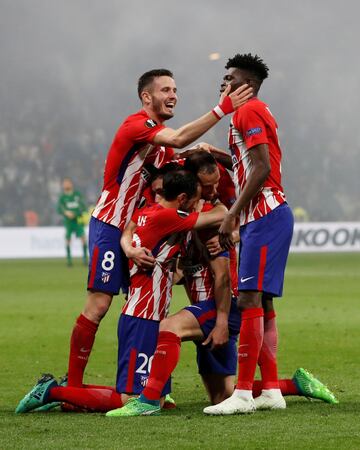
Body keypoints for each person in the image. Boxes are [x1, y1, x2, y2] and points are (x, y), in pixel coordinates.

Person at [66, 69, 252, 389]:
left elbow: (188, 157)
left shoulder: (164, 151)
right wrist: (222, 108)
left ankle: (147, 387)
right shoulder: (135, 124)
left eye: (176, 89)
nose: (173, 94)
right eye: (165, 89)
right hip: (111, 223)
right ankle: (73, 385)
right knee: (99, 304)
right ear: (147, 97)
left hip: (139, 228)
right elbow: (180, 138)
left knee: (150, 306)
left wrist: (213, 151)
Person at [201, 53, 295, 415]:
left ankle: (241, 394)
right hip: (268, 214)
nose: (223, 83)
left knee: (249, 300)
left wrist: (232, 217)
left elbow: (261, 167)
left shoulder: (247, 111)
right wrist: (220, 156)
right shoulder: (254, 112)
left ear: (247, 86)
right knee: (263, 303)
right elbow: (250, 162)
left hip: (264, 215)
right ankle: (270, 389)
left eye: (230, 78)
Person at [57, 178, 88, 266]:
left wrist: (75, 213)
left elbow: (83, 207)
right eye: (64, 183)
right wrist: (66, 212)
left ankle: (85, 259)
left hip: (78, 221)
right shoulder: (62, 198)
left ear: (71, 184)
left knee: (83, 238)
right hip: (68, 222)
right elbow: (58, 209)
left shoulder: (77, 195)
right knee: (68, 239)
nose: (66, 185)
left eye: (67, 183)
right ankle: (69, 260)